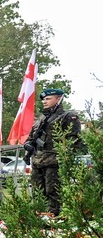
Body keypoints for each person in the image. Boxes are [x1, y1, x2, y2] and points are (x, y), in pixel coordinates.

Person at [24, 88, 83, 216]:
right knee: (38, 192)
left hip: (54, 162)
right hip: (38, 161)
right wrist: (28, 144)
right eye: (44, 99)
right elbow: (31, 138)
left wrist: (64, 156)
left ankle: (53, 219)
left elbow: (74, 139)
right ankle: (40, 218)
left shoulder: (67, 116)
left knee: (53, 192)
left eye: (48, 99)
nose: (44, 101)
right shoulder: (41, 119)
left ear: (58, 99)